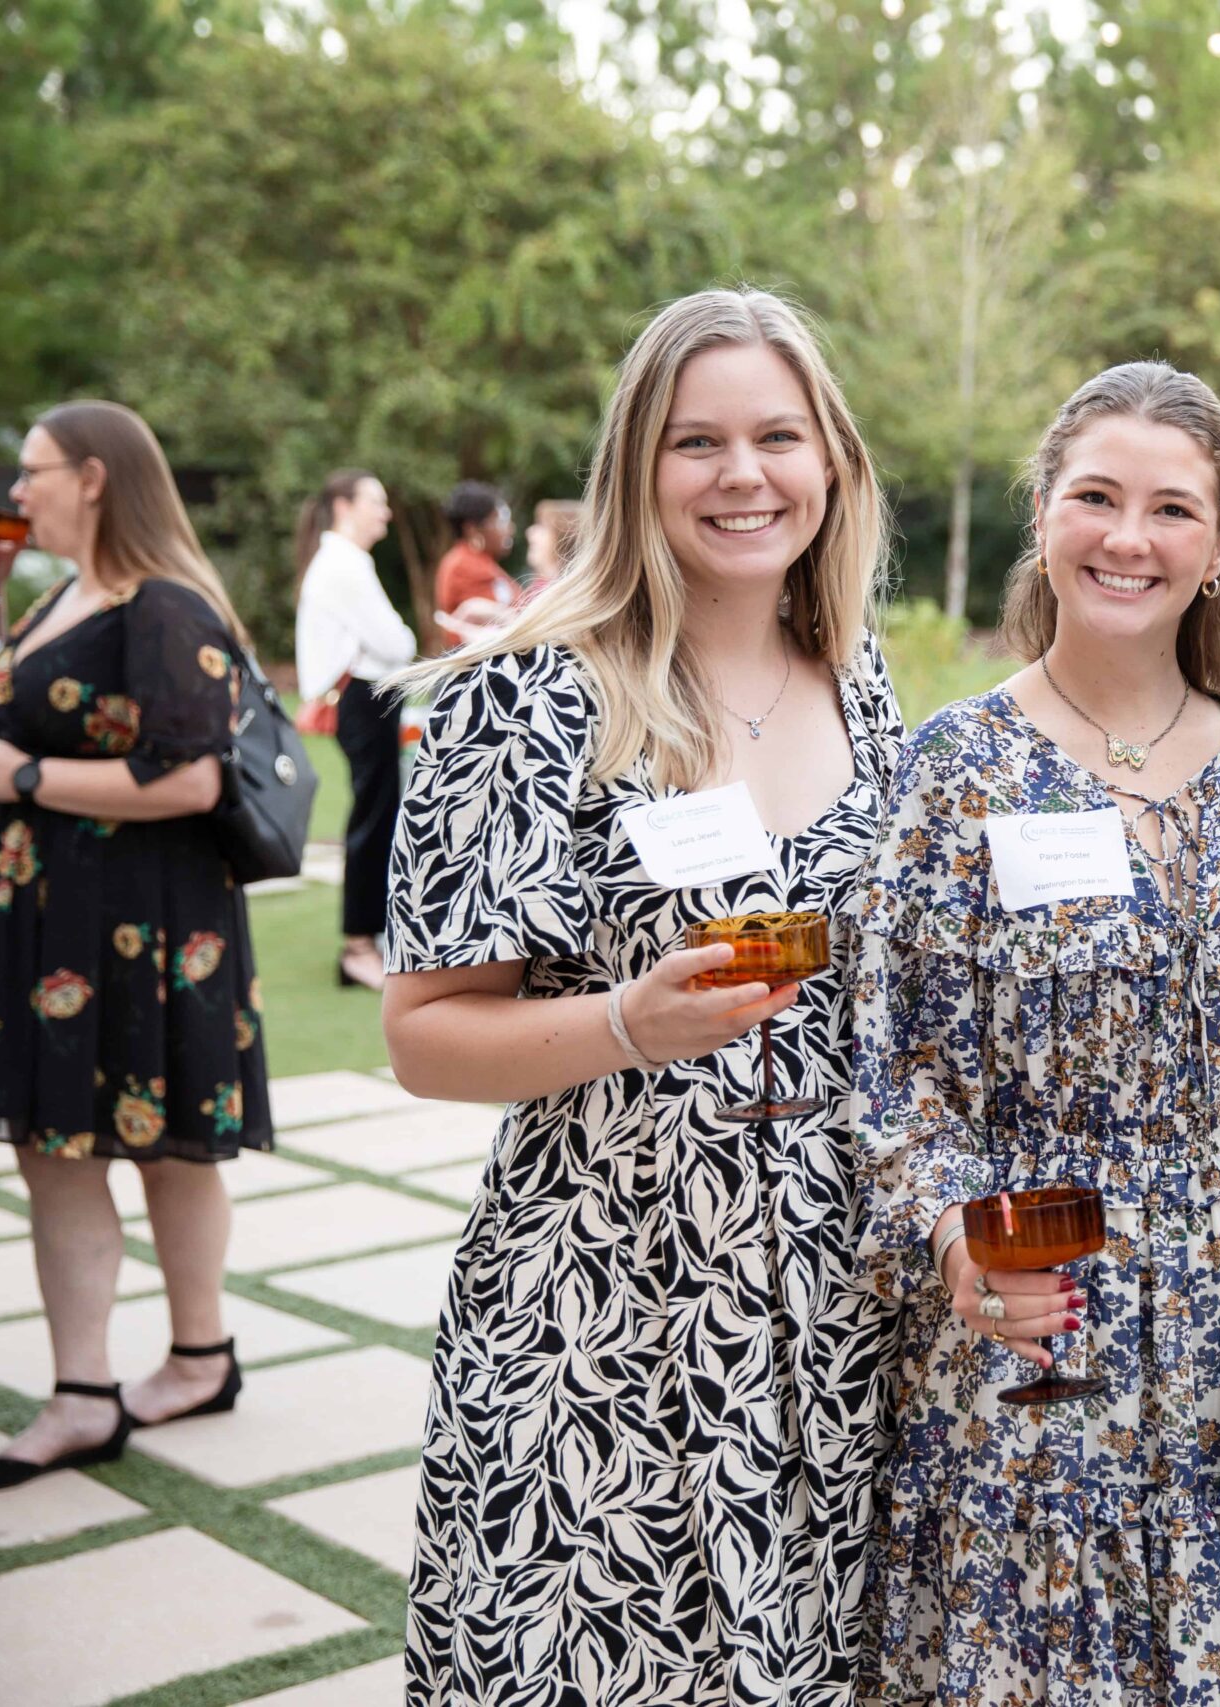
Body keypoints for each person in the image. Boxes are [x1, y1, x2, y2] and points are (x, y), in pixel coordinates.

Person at [381, 288, 900, 1705]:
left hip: (830, 1306)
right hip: (603, 1308)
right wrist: (626, 1023)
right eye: (698, 442)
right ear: (635, 469)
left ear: (832, 461)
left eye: (778, 435)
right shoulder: (525, 699)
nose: (744, 475)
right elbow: (422, 1034)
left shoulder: (862, 677)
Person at [850, 363, 1220, 1704]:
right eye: (1096, 496)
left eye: (1170, 509)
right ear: (1044, 514)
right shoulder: (953, 765)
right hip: (1041, 1327)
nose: (1128, 538)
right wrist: (950, 1229)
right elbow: (881, 1057)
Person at [0, 400, 270, 1491]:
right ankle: (162, 1366)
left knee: (123, 1145)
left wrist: (28, 781)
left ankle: (135, 1380)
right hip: (61, 917)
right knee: (75, 1146)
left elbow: (194, 779)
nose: (14, 493)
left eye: (30, 472)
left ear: (93, 476)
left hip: (137, 923)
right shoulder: (62, 596)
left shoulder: (163, 606)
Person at [291, 469, 416, 992]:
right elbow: (397, 643)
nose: (384, 512)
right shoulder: (343, 564)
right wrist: (403, 636)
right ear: (344, 505)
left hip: (367, 698)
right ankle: (359, 945)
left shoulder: (343, 562)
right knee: (374, 814)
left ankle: (372, 936)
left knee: (381, 812)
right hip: (362, 699)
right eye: (376, 501)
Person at [431, 480, 519, 650]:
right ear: (472, 529)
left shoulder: (481, 562)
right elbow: (490, 629)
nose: (509, 529)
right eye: (498, 521)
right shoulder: (463, 566)